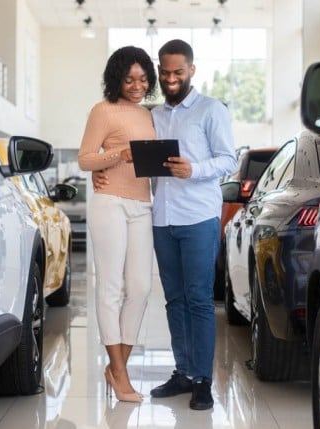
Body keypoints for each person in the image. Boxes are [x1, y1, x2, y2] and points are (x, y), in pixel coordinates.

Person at [94, 39, 237, 410]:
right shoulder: (153, 115)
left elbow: (228, 159)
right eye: (166, 72)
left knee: (199, 299)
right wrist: (102, 171)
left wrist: (195, 169)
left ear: (191, 70)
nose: (171, 78)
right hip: (161, 218)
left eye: (178, 72)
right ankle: (184, 372)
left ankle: (203, 379)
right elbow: (128, 154)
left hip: (199, 217)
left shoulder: (211, 110)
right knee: (174, 300)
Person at [77, 45, 158, 403]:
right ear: (116, 79)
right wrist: (117, 156)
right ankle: (120, 372)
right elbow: (85, 159)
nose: (137, 85)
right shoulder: (103, 111)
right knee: (110, 287)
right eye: (129, 79)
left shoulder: (149, 116)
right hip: (110, 203)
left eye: (143, 79)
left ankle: (116, 366)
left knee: (140, 288)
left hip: (143, 203)